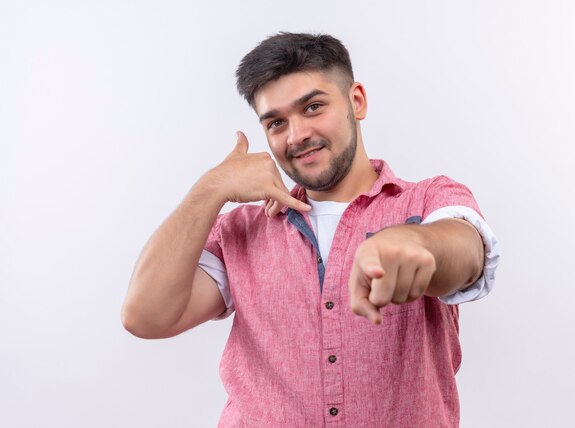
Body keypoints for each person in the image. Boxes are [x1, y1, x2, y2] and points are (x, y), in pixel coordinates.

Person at [122, 32, 499, 427]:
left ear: (357, 101)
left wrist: (416, 242)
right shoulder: (241, 230)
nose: (296, 134)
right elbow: (146, 316)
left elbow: (467, 253)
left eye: (314, 107)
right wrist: (210, 189)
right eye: (276, 123)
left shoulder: (427, 200)